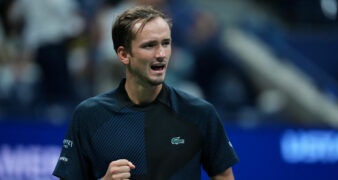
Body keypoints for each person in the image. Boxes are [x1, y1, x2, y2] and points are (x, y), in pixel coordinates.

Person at [53, 5, 239, 180]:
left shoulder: (200, 113)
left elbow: (224, 176)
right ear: (124, 54)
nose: (161, 54)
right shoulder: (88, 115)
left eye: (166, 43)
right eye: (149, 45)